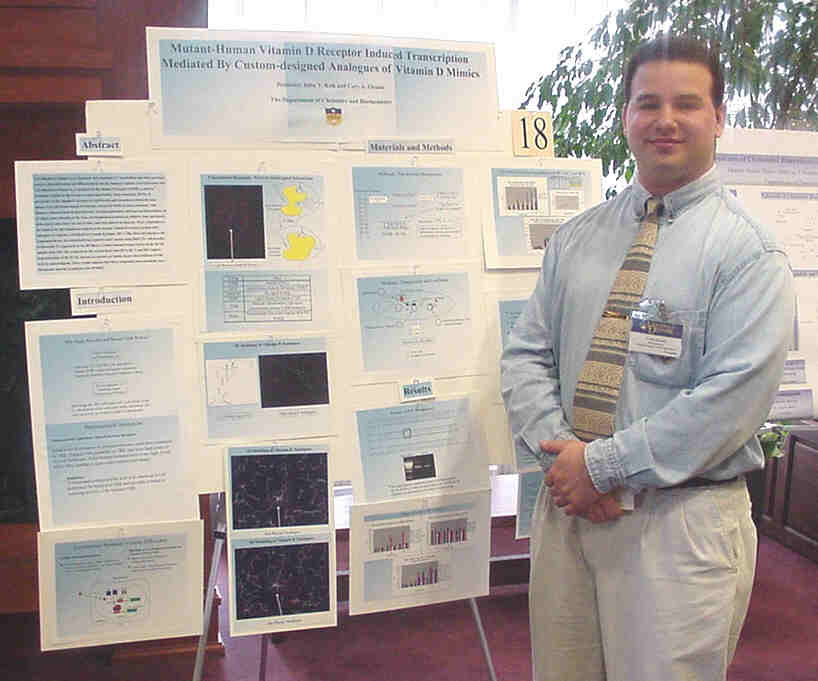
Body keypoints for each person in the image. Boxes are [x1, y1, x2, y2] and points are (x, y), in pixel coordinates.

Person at [500, 35, 794, 681]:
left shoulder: (747, 252)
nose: (665, 120)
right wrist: (566, 462)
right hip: (570, 512)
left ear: (718, 117)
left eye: (686, 104)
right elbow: (525, 354)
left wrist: (602, 466)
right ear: (626, 115)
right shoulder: (578, 237)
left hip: (678, 524)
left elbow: (733, 398)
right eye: (648, 103)